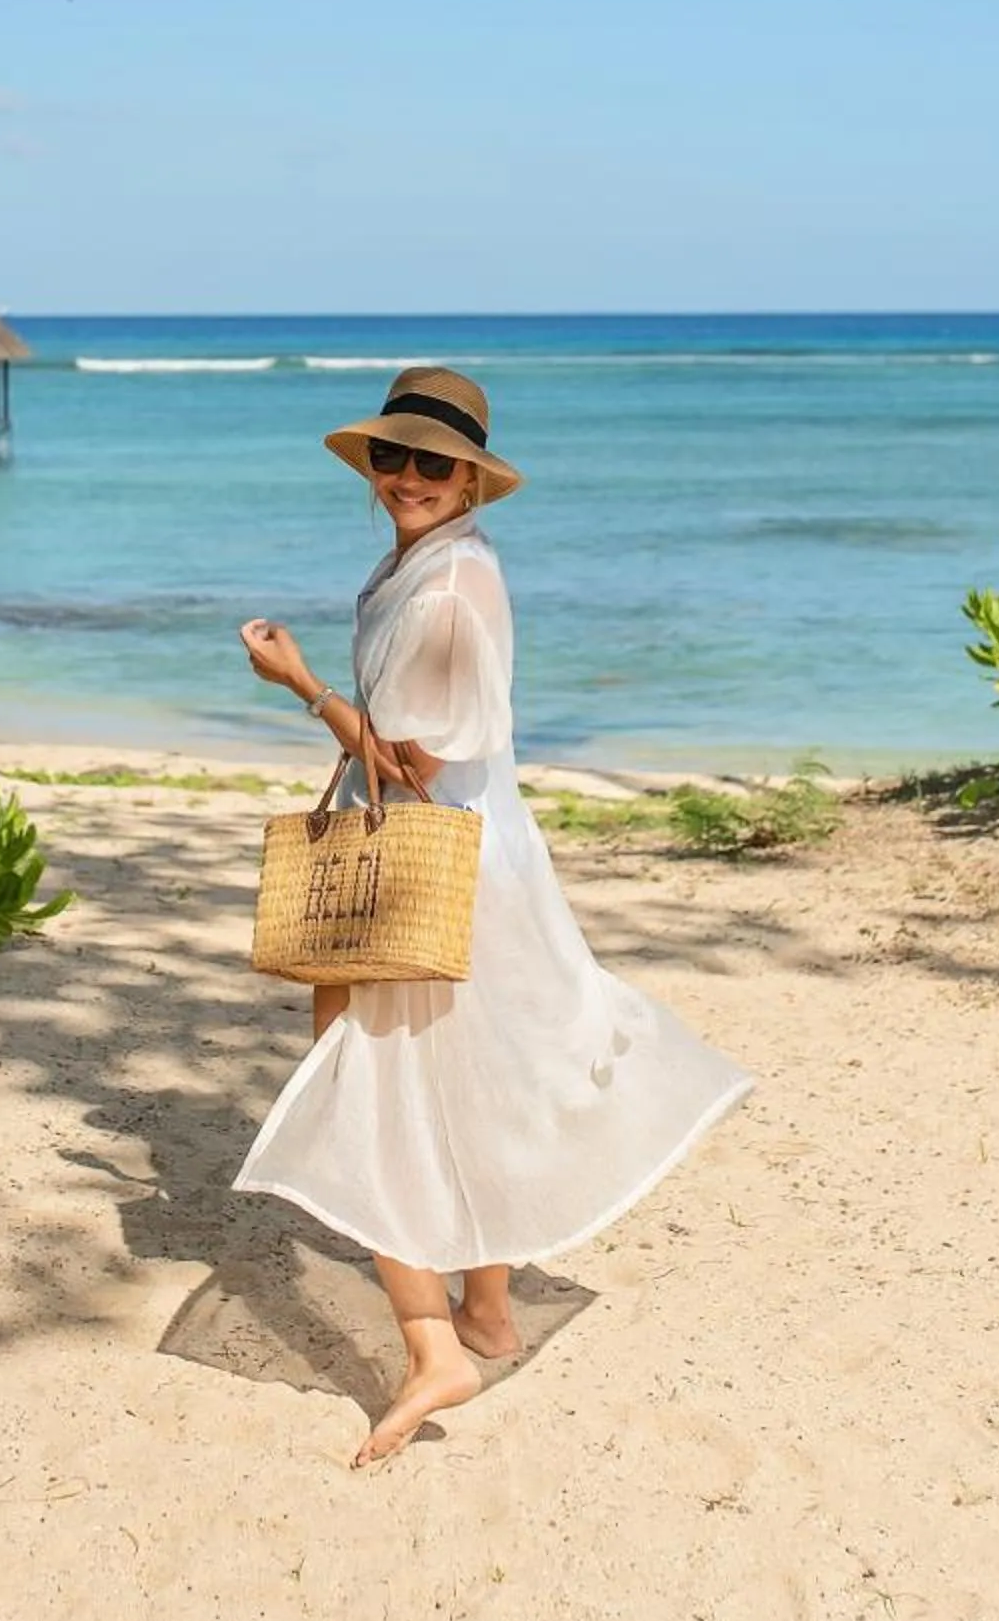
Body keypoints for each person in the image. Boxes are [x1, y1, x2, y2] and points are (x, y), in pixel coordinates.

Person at [237, 364, 753, 1467]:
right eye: (393, 457)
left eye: (434, 464)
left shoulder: (445, 589)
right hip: (483, 858)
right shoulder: (438, 561)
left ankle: (436, 1351)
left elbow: (406, 765)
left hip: (433, 866)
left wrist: (297, 683)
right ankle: (487, 1311)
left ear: (471, 478)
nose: (408, 478)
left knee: (363, 1092)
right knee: (461, 1074)